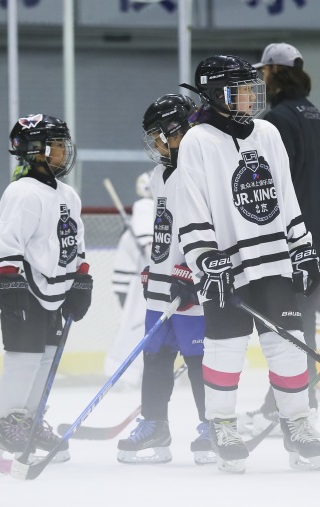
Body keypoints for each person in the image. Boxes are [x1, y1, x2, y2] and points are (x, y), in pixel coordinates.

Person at [176, 54, 320, 474]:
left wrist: (302, 246)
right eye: (237, 89)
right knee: (225, 348)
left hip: (273, 261)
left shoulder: (268, 132)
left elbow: (286, 195)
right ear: (213, 94)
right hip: (226, 265)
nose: (247, 95)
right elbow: (192, 208)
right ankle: (222, 425)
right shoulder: (197, 141)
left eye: (249, 87)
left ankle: (297, 423)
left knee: (290, 343)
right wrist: (205, 261)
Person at [239, 42, 320, 437]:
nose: (260, 78)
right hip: (319, 236)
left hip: (289, 239)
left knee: (287, 327)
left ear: (276, 73)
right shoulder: (316, 116)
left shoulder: (276, 120)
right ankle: (299, 402)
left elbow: (273, 186)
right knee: (300, 322)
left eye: (264, 72)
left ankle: (285, 406)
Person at [116, 94, 215, 466]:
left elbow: (218, 228)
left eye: (161, 135)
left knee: (198, 358)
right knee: (155, 356)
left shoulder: (205, 170)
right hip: (162, 288)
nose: (157, 144)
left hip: (196, 285)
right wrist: (156, 268)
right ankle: (155, 424)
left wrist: (195, 271)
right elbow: (165, 231)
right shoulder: (160, 174)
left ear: (182, 130)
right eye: (152, 138)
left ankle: (212, 426)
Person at [0, 114, 91, 465]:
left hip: (56, 291)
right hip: (27, 289)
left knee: (45, 357)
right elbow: (9, 242)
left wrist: (81, 278)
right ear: (35, 151)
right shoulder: (21, 192)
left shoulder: (68, 194)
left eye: (64, 144)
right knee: (24, 357)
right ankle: (7, 424)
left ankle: (29, 421)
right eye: (56, 145)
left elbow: (75, 242)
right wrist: (8, 279)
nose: (64, 151)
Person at [105, 172, 153, 388]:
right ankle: (127, 375)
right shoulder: (146, 207)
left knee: (139, 326)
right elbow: (150, 246)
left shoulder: (143, 210)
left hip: (132, 282)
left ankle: (133, 373)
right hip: (137, 284)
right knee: (137, 327)